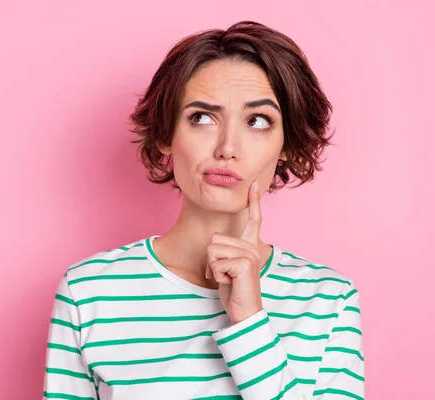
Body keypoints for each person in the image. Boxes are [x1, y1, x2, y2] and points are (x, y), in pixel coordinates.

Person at [42, 20, 364, 400]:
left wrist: (249, 323)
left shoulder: (327, 299)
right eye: (202, 117)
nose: (227, 147)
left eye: (258, 121)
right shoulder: (87, 292)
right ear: (165, 135)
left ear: (288, 144)